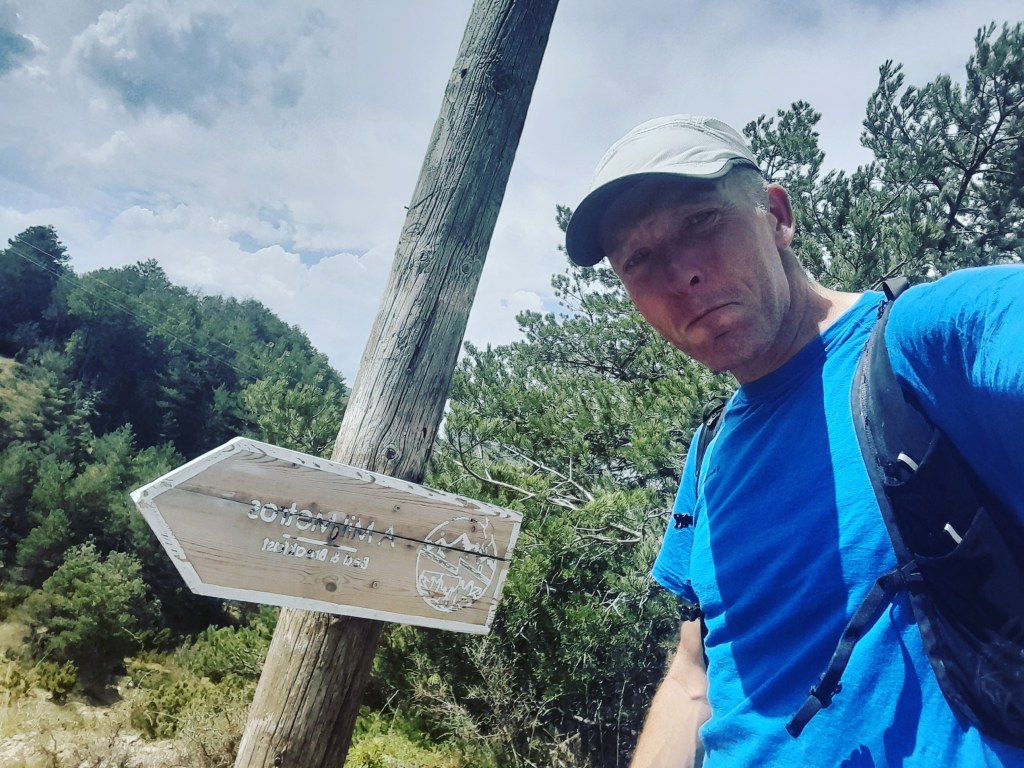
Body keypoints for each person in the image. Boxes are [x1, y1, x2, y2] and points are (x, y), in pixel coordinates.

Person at [564, 114, 1024, 767]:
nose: (678, 275)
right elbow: (693, 676)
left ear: (777, 216)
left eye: (701, 221)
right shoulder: (709, 453)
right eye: (637, 259)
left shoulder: (922, 345)